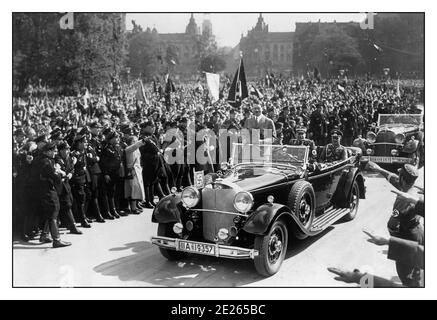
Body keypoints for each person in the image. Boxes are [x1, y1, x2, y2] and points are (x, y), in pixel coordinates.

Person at [367, 161, 423, 287]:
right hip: (419, 232)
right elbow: (393, 178)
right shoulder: (414, 190)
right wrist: (379, 169)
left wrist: (391, 239)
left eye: (400, 176)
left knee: (406, 276)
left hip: (407, 237)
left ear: (403, 179)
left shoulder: (402, 199)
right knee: (416, 270)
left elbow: (392, 224)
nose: (397, 178)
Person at [35, 142, 71, 248]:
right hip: (48, 190)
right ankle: (56, 240)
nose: (55, 153)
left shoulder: (45, 160)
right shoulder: (46, 162)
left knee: (50, 212)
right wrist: (61, 173)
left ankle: (45, 235)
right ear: (48, 151)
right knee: (54, 212)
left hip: (45, 189)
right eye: (53, 151)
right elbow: (54, 176)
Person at [55, 141, 82, 235]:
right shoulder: (57, 159)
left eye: (68, 149)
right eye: (66, 149)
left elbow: (71, 169)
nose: (68, 151)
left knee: (68, 203)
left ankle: (65, 225)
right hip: (59, 185)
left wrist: (70, 173)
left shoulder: (68, 158)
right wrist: (67, 173)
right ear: (61, 150)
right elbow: (60, 170)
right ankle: (72, 226)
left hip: (66, 185)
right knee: (65, 205)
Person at [124, 135, 145, 214]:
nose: (136, 142)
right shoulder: (128, 149)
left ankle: (134, 206)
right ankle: (133, 208)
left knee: (135, 189)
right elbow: (135, 146)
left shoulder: (137, 149)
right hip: (131, 171)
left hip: (137, 170)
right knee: (133, 190)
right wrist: (142, 140)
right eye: (134, 141)